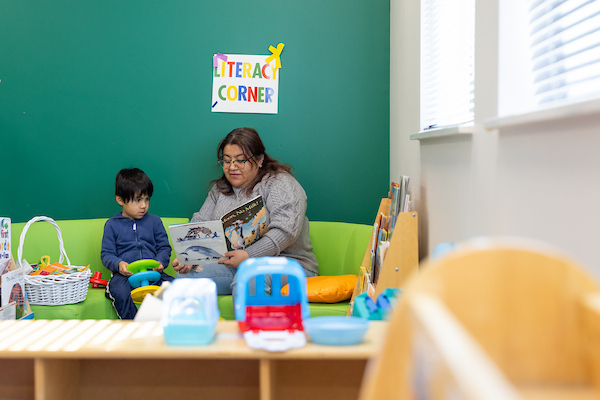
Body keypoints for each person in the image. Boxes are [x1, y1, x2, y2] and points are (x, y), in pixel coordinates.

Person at [172, 127, 318, 297]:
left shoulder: (280, 183)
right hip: (236, 264)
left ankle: (250, 324)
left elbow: (286, 232)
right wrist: (188, 256)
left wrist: (249, 255)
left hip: (289, 264)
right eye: (226, 161)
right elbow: (200, 223)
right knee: (186, 277)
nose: (232, 167)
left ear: (259, 159)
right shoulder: (219, 189)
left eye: (240, 160)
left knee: (250, 276)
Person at [101, 168, 174, 319]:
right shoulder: (112, 225)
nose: (144, 205)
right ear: (120, 200)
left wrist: (160, 262)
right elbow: (107, 254)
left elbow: (164, 247)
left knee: (175, 288)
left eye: (147, 199)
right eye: (138, 200)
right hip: (125, 275)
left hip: (153, 273)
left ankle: (169, 324)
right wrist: (118, 264)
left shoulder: (155, 222)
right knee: (119, 292)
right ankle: (133, 326)